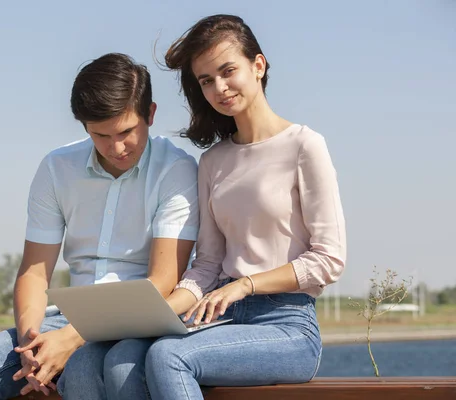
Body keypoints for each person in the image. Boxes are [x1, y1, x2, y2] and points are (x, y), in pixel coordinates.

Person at [0, 53, 199, 400]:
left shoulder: (177, 170)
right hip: (65, 318)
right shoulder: (57, 168)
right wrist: (32, 343)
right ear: (84, 127)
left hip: (138, 322)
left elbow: (162, 283)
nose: (116, 147)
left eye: (125, 132)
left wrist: (73, 338)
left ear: (150, 114)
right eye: (100, 135)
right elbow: (34, 272)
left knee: (83, 372)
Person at [144, 14, 347, 399]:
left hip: (288, 326)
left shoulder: (305, 145)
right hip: (218, 319)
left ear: (258, 65)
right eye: (206, 80)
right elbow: (206, 266)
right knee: (127, 353)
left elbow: (329, 259)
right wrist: (156, 314)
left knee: (169, 357)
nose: (219, 87)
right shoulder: (213, 162)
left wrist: (245, 285)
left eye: (227, 71)